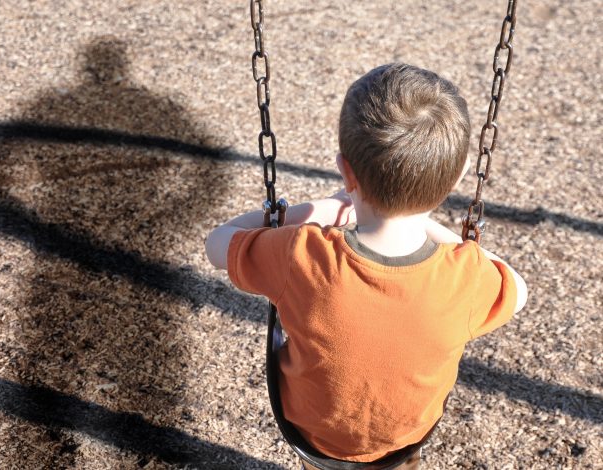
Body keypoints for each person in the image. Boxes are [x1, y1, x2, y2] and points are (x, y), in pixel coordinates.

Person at [205, 63, 528, 469]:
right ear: (459, 177)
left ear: (346, 171)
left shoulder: (301, 253)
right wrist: (435, 226)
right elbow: (518, 290)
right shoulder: (463, 276)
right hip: (406, 437)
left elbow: (216, 244)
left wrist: (312, 210)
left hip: (316, 435)